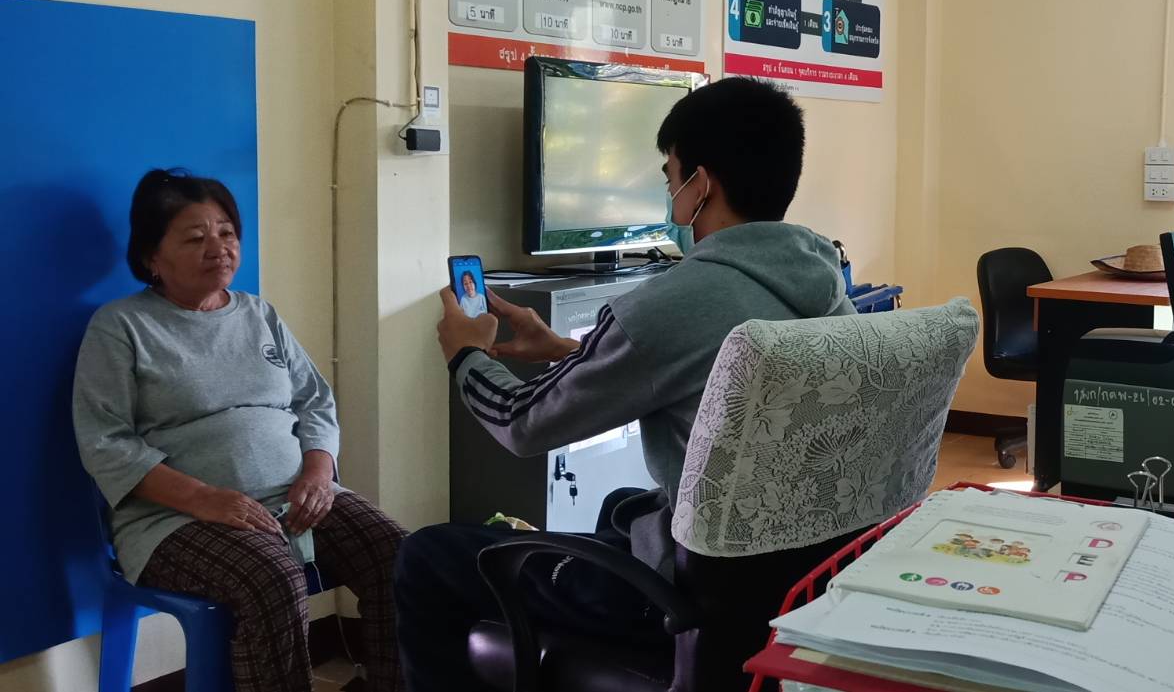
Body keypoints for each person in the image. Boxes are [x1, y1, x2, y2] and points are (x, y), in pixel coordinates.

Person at [396, 77, 855, 691]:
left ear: (700, 184)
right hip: (793, 582)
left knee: (427, 554)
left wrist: (466, 354)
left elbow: (521, 422)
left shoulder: (674, 300)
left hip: (685, 595)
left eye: (670, 176)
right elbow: (714, 374)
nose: (668, 195)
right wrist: (570, 351)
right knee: (622, 506)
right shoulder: (822, 284)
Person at [73, 169, 408, 692]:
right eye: (195, 238)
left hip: (295, 496)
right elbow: (105, 441)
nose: (219, 248)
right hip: (174, 519)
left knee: (400, 556)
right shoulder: (121, 326)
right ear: (151, 257)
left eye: (227, 232)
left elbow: (315, 400)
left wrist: (319, 473)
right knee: (270, 579)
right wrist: (206, 499)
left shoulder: (259, 313)